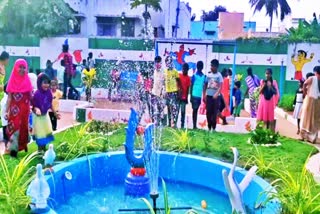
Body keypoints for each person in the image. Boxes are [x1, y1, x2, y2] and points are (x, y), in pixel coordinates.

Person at [6, 59, 33, 157]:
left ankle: (21, 145)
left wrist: (35, 107)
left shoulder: (27, 81)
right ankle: (13, 150)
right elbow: (9, 98)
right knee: (15, 129)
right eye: (20, 67)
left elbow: (31, 97)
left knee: (23, 129)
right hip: (14, 111)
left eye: (24, 67)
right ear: (15, 68)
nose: (22, 69)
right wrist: (6, 111)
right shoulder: (11, 80)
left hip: (25, 111)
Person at [32, 73, 58, 152]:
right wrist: (37, 110)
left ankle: (44, 148)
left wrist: (55, 113)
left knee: (46, 132)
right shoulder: (36, 94)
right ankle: (40, 150)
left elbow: (50, 104)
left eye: (47, 83)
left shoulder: (49, 93)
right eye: (44, 83)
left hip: (45, 116)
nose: (46, 85)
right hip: (38, 118)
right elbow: (33, 106)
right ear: (39, 83)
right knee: (40, 134)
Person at [300, 66, 320, 143]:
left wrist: (305, 93)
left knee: (310, 119)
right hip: (313, 100)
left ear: (315, 71)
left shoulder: (313, 78)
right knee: (311, 119)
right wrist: (305, 93)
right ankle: (309, 137)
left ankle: (309, 137)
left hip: (314, 100)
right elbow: (305, 84)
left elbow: (305, 84)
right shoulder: (313, 78)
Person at [203, 59, 223, 132]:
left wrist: (217, 94)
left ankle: (213, 128)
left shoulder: (219, 75)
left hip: (216, 97)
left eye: (213, 66)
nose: (211, 67)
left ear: (216, 67)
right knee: (208, 112)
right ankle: (209, 127)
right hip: (209, 96)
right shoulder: (208, 75)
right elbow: (205, 85)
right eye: (211, 65)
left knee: (214, 112)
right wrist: (204, 94)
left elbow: (220, 86)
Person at [164, 56, 179, 128]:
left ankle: (174, 123)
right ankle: (169, 123)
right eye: (167, 62)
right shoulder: (165, 71)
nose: (168, 63)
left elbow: (178, 82)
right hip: (167, 92)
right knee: (168, 107)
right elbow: (164, 82)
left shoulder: (175, 71)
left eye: (169, 62)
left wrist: (178, 92)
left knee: (174, 108)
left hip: (174, 92)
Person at [190, 61, 206, 129]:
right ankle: (194, 125)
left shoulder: (204, 77)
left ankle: (194, 125)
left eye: (200, 66)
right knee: (195, 110)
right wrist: (190, 96)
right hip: (194, 95)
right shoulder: (194, 76)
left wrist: (204, 96)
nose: (199, 68)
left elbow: (204, 87)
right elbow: (191, 86)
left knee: (195, 110)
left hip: (199, 96)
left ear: (202, 67)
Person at [151, 56, 165, 126]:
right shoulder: (153, 71)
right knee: (154, 109)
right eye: (156, 63)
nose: (157, 64)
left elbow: (165, 83)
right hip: (154, 93)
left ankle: (161, 123)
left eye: (158, 63)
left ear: (161, 63)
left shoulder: (163, 72)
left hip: (161, 94)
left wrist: (163, 92)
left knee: (160, 109)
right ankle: (155, 123)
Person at [178, 63, 191, 128]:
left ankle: (182, 124)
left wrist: (186, 97)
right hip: (178, 96)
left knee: (183, 111)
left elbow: (188, 88)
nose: (184, 70)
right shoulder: (179, 75)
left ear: (187, 70)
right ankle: (174, 124)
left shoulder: (188, 78)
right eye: (183, 69)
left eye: (185, 69)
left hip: (183, 97)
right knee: (176, 111)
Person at [1, 84, 8, 148]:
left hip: (5, 122)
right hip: (6, 121)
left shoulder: (5, 98)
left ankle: (7, 147)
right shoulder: (6, 99)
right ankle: (7, 148)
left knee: (6, 136)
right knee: (7, 136)